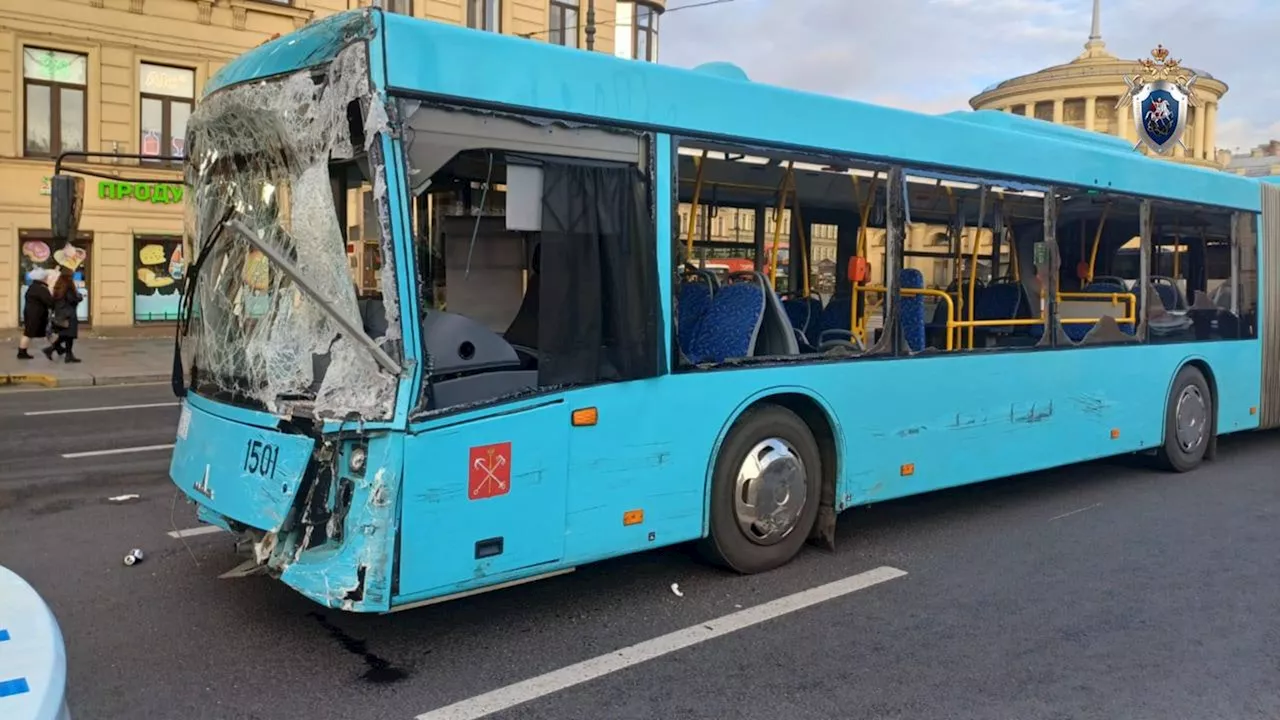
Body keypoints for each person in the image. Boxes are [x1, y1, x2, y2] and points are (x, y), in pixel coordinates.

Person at [43, 268, 82, 363]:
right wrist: (79, 296)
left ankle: (68, 355)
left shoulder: (58, 286)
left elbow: (53, 302)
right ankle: (51, 349)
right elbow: (72, 299)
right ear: (69, 277)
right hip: (69, 315)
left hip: (60, 315)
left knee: (67, 336)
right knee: (68, 335)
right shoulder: (68, 287)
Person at [17, 269, 54, 360]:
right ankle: (21, 352)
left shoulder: (33, 287)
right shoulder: (40, 288)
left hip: (32, 313)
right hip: (36, 315)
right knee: (29, 333)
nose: (47, 278)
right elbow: (49, 301)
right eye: (46, 276)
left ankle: (56, 348)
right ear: (42, 278)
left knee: (31, 332)